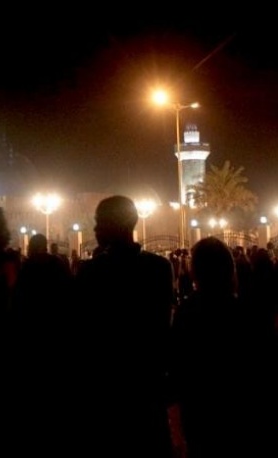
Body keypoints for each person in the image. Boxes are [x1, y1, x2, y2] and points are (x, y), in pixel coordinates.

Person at [73, 195, 175, 457]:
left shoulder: (91, 273)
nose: (95, 230)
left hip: (107, 390)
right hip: (148, 385)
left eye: (99, 223)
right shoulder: (159, 268)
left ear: (112, 225)